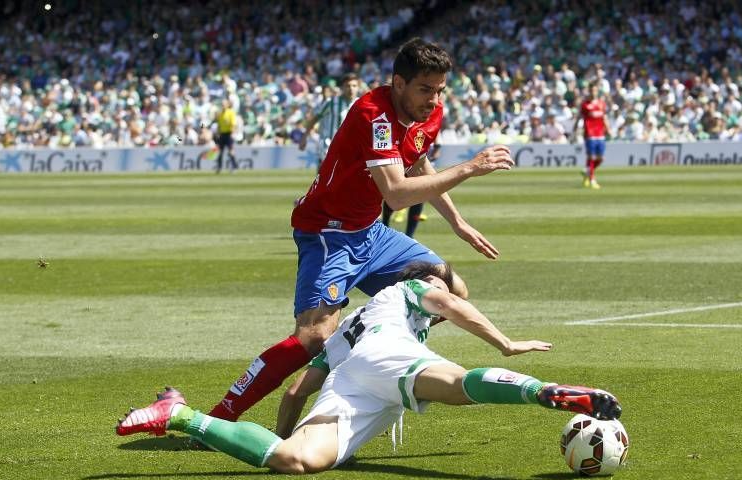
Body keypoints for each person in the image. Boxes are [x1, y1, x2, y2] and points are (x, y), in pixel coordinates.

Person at [203, 38, 514, 424]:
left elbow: (417, 163)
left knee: (451, 290)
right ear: (398, 83)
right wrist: (469, 167)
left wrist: (457, 222)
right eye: (424, 89)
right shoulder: (374, 115)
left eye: (439, 90)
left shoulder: (427, 114)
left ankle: (361, 340)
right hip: (327, 232)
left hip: (371, 233)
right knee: (313, 336)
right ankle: (217, 416)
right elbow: (397, 194)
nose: (433, 100)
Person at [116, 261, 622, 474]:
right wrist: (505, 342)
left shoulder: (349, 325)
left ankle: (182, 415)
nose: (447, 300)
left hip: (348, 380)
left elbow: (295, 392)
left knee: (296, 460)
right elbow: (452, 307)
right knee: (453, 385)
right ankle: (545, 391)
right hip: (381, 359)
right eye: (446, 287)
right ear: (429, 282)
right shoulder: (408, 290)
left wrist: (287, 437)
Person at [298, 73, 361, 169]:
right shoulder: (331, 103)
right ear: (342, 88)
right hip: (329, 146)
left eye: (354, 86)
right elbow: (315, 118)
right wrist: (304, 137)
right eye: (347, 86)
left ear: (358, 87)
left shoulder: (361, 104)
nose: (351, 88)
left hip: (351, 148)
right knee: (325, 177)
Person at [381, 143, 439, 238]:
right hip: (400, 157)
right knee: (394, 192)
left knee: (419, 194)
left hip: (417, 156)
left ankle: (409, 235)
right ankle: (385, 225)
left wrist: (437, 147)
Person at [576, 83, 609, 189]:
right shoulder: (585, 104)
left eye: (595, 90)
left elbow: (604, 117)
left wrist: (608, 129)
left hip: (601, 133)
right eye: (591, 90)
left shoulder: (602, 103)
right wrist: (575, 128)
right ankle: (592, 179)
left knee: (601, 158)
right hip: (590, 134)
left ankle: (587, 172)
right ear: (589, 91)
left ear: (597, 91)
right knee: (591, 157)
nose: (593, 92)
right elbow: (579, 117)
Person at [213, 99, 239, 173]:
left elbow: (233, 124)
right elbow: (219, 125)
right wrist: (218, 133)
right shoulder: (220, 114)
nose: (223, 105)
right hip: (222, 134)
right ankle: (219, 167)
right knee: (220, 152)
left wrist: (232, 133)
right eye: (222, 104)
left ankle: (234, 167)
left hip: (229, 134)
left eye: (224, 104)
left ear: (227, 104)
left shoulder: (231, 113)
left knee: (231, 151)